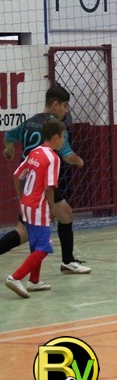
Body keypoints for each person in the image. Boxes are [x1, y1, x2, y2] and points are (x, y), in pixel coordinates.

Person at [0, 84, 90, 274]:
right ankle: (65, 262)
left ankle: (67, 261)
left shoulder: (29, 122)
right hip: (41, 183)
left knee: (59, 216)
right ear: (55, 104)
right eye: (65, 105)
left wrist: (9, 150)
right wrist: (80, 161)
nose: (66, 110)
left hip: (27, 181)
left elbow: (8, 136)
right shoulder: (54, 127)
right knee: (35, 230)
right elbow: (67, 155)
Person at [5, 118, 65, 298]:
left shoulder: (34, 152)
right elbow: (49, 188)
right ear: (56, 138)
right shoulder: (53, 158)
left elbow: (17, 176)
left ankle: (34, 281)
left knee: (35, 244)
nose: (63, 140)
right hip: (38, 206)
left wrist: (21, 198)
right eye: (63, 137)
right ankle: (16, 277)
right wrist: (52, 209)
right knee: (44, 247)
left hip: (26, 204)